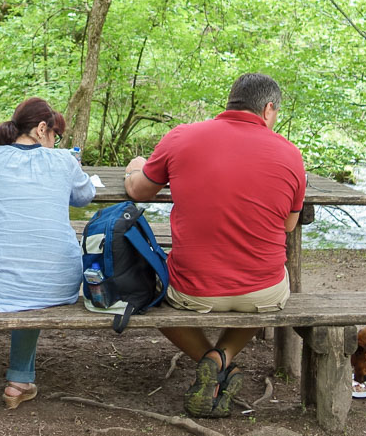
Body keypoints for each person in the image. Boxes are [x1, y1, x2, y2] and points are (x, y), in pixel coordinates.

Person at [123, 73, 306, 417]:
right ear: (269, 110)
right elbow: (289, 225)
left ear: (231, 102)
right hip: (263, 291)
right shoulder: (291, 154)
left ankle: (209, 358)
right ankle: (223, 357)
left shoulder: (182, 137)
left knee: (152, 294)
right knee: (266, 291)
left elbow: (139, 191)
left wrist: (136, 168)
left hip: (193, 290)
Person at [0, 97, 95, 408]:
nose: (57, 141)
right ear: (42, 129)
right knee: (36, 272)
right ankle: (19, 380)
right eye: (55, 134)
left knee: (18, 273)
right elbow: (85, 195)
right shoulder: (63, 161)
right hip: (60, 281)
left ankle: (19, 378)